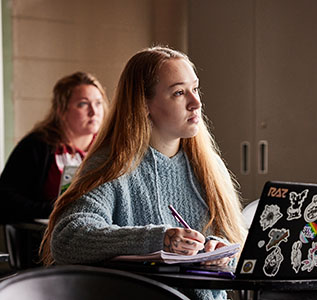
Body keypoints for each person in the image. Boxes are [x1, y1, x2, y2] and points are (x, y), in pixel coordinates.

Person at [41, 46, 247, 300]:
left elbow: (240, 256)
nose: (196, 103)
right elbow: (67, 238)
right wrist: (159, 239)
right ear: (144, 103)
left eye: (195, 89)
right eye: (180, 93)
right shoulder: (113, 166)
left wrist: (222, 251)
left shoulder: (211, 167)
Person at [0, 71, 108, 224]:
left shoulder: (109, 146)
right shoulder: (37, 145)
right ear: (62, 110)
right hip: (44, 234)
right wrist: (52, 210)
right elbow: (6, 197)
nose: (94, 112)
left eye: (98, 103)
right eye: (83, 104)